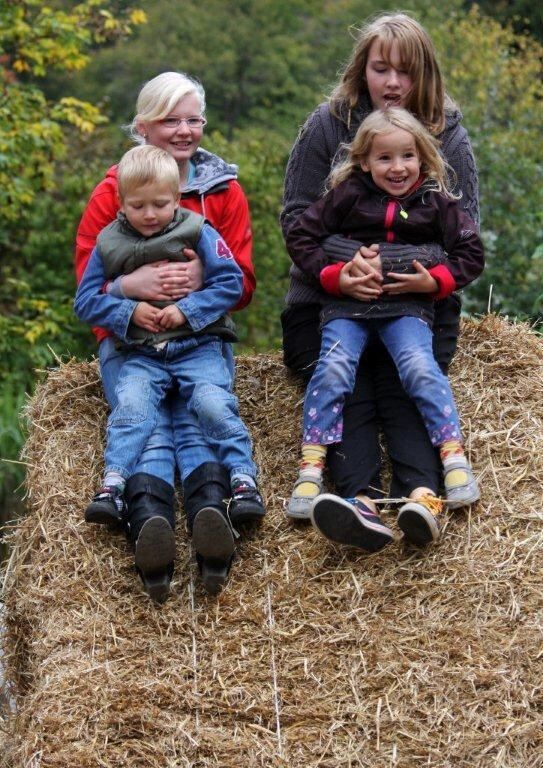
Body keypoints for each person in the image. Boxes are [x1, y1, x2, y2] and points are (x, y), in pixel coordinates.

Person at [280, 11, 480, 547]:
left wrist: (413, 275)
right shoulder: (328, 125)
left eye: (406, 72)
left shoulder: (449, 135)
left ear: (426, 75)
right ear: (360, 69)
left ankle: (423, 494)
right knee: (348, 380)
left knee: (403, 378)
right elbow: (296, 218)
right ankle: (357, 498)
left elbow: (465, 235)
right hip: (327, 301)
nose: (392, 84)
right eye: (380, 68)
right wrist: (340, 271)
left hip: (418, 302)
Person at [75, 72, 259, 601]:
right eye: (169, 120)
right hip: (131, 338)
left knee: (201, 410)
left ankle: (211, 516)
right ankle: (148, 525)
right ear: (142, 127)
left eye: (192, 120)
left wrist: (196, 291)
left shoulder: (223, 191)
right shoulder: (117, 190)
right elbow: (88, 282)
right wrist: (130, 290)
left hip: (197, 335)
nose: (182, 131)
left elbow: (240, 281)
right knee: (148, 419)